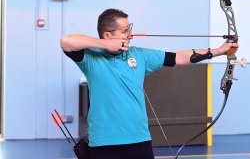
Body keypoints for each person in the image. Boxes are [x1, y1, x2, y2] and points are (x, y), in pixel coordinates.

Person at [60, 8, 239, 159]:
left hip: (138, 139)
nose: (129, 35)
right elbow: (66, 42)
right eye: (124, 31)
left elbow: (178, 57)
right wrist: (104, 45)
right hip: (103, 141)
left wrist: (218, 51)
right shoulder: (91, 58)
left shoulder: (139, 55)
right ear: (108, 35)